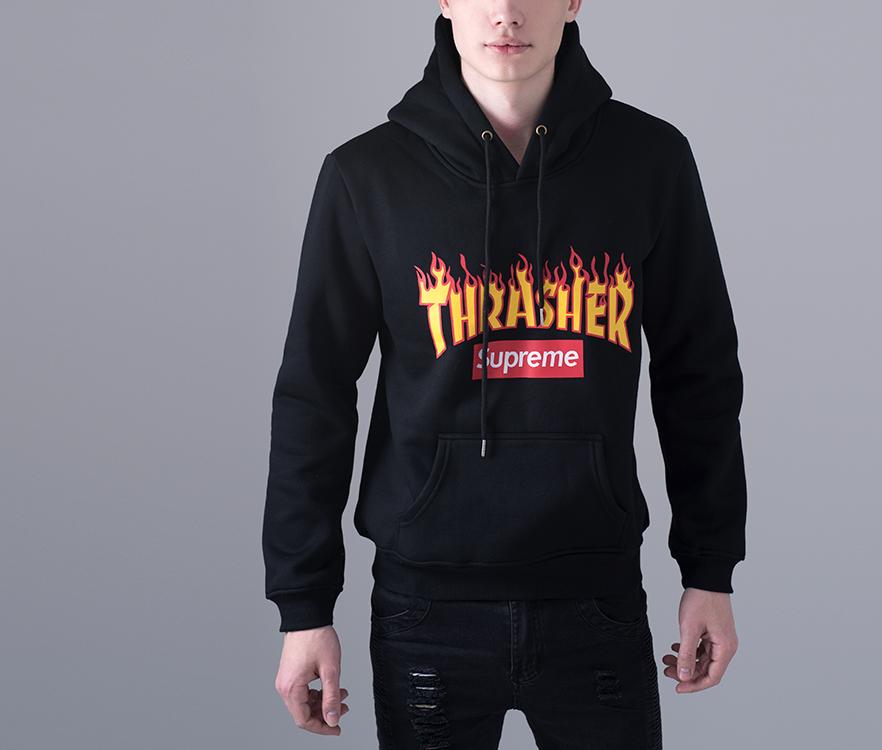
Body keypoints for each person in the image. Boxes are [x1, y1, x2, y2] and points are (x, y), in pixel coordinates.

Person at [262, 2, 747, 747]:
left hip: (595, 597)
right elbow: (313, 395)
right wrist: (304, 606)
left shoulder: (650, 160)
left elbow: (699, 377)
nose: (507, 12)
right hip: (426, 609)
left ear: (573, 1)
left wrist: (708, 570)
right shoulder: (368, 175)